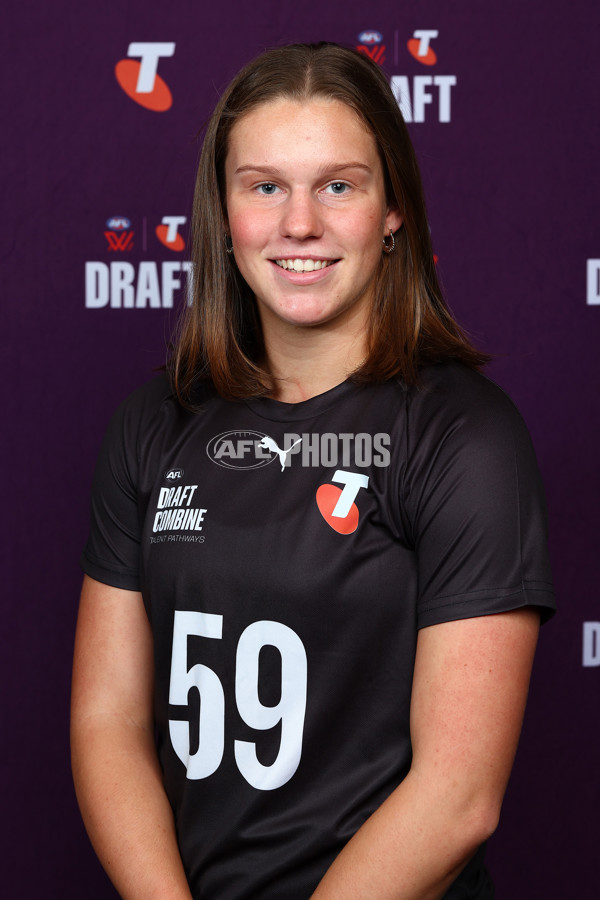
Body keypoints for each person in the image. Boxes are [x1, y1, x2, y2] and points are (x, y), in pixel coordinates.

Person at [71, 42, 555, 900]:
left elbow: (459, 798)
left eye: (339, 185)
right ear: (223, 215)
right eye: (265, 187)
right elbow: (106, 723)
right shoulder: (154, 422)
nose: (300, 224)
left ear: (393, 208)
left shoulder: (463, 437)